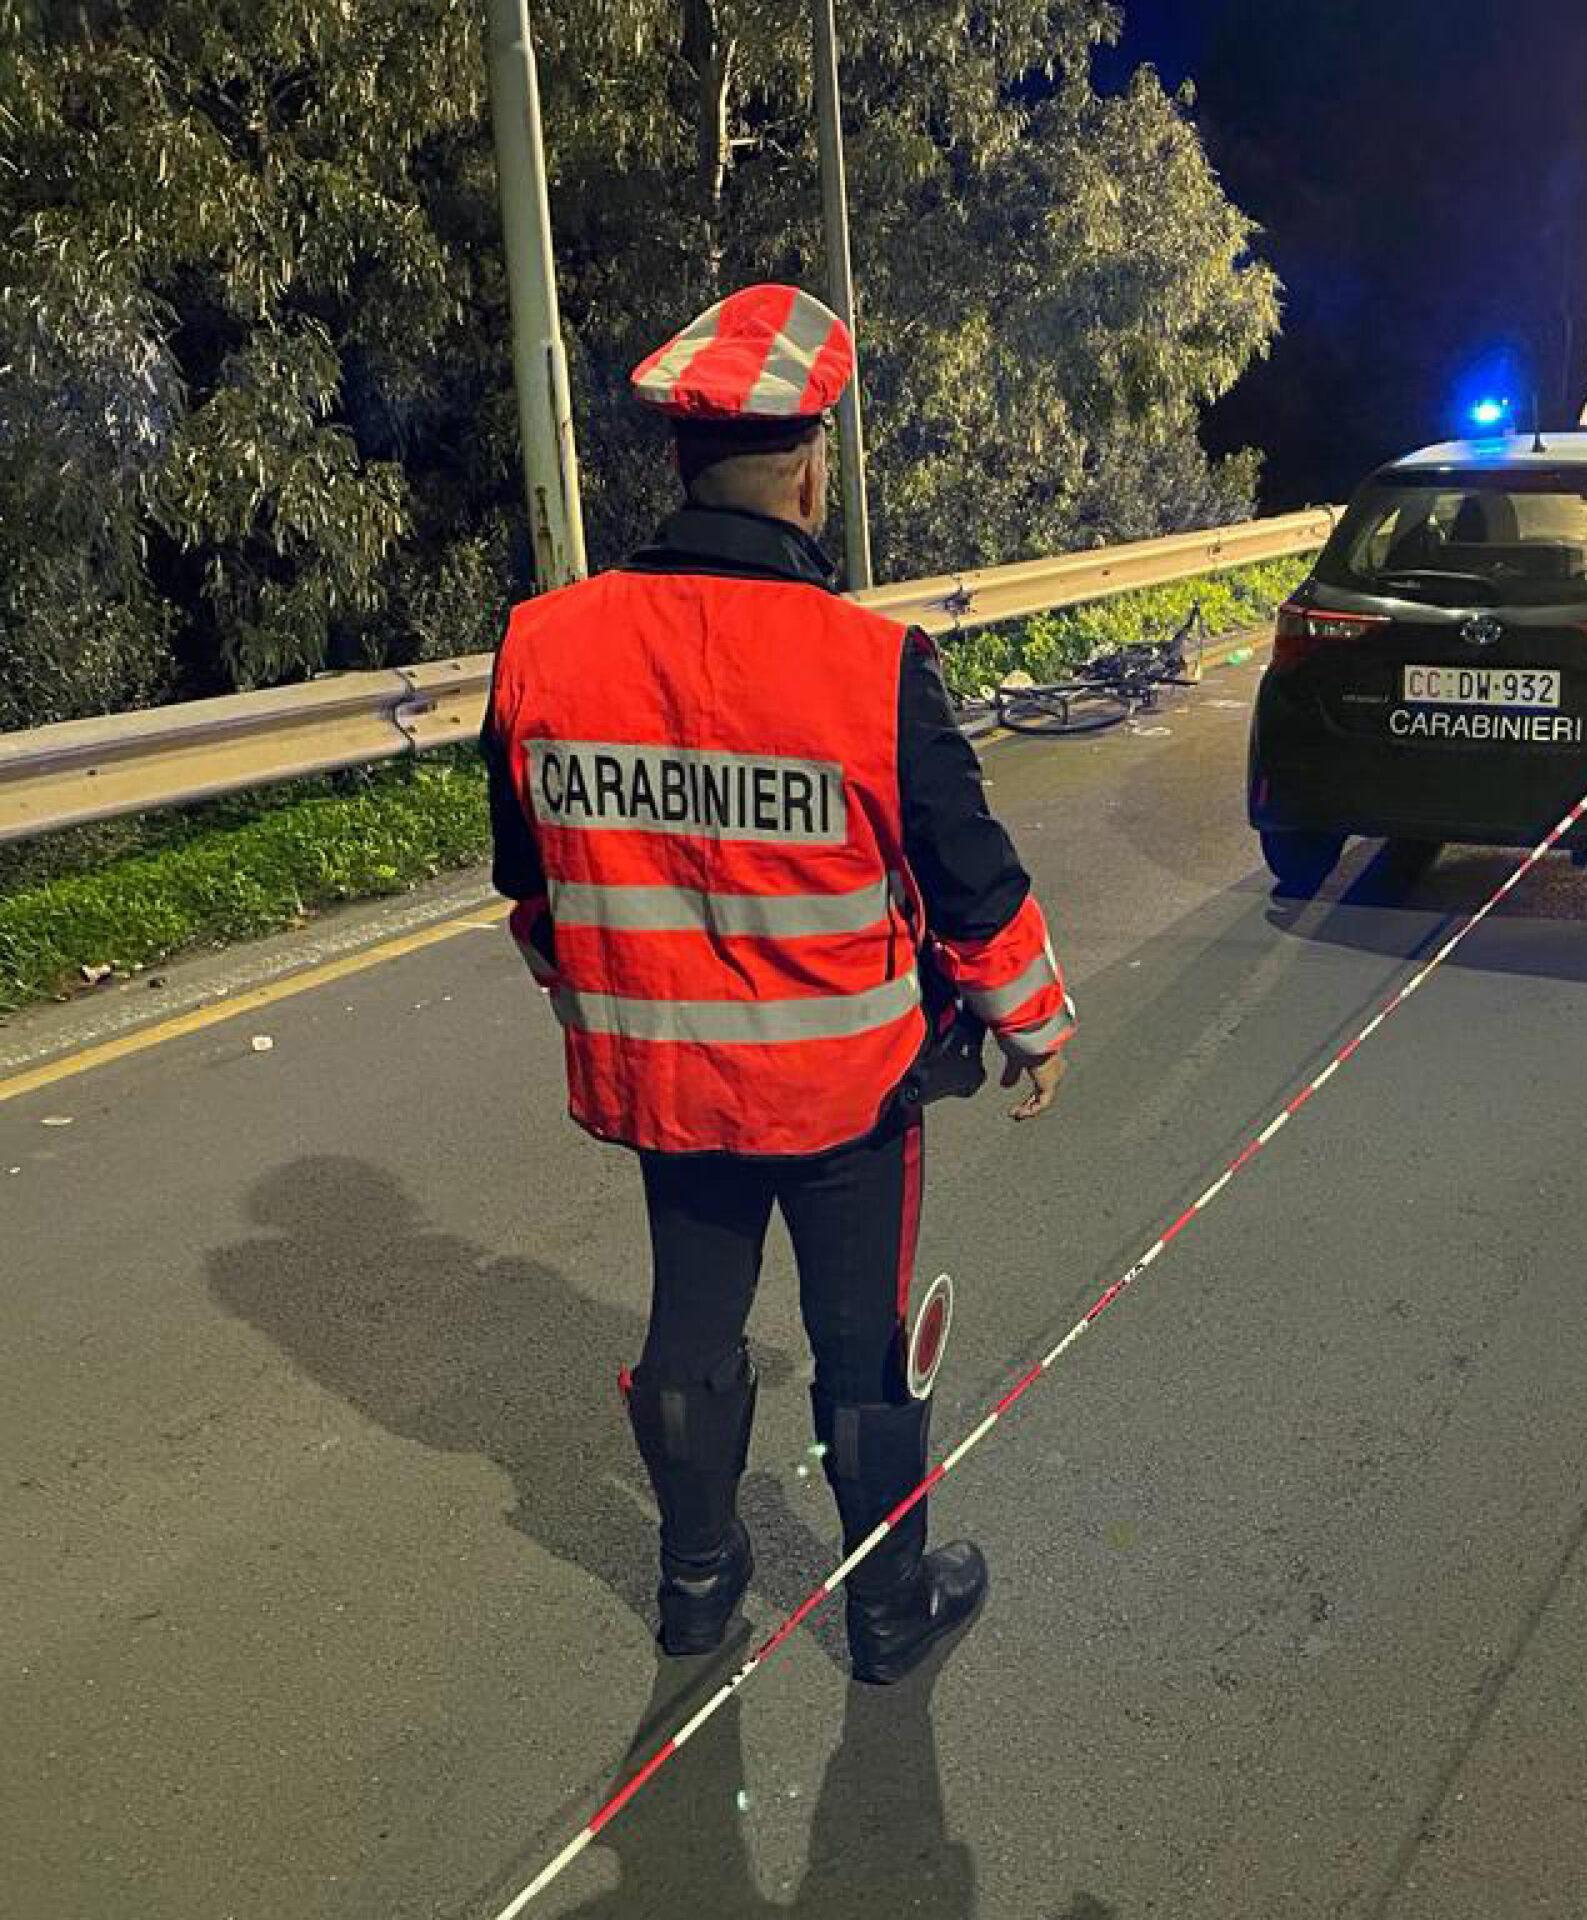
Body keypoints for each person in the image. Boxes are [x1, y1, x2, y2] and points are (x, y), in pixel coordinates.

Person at [482, 284, 1074, 1679]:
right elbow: (972, 881)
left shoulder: (545, 645)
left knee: (691, 1314)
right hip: (844, 1093)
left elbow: (533, 879)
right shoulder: (871, 667)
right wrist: (1033, 1025)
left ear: (680, 461)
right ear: (811, 470)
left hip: (663, 1074)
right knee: (857, 1342)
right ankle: (883, 1611)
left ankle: (696, 1590)